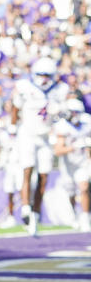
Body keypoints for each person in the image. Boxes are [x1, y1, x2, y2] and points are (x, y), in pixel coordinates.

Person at [11, 57, 69, 237]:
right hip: (27, 133)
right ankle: (26, 208)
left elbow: (62, 114)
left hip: (45, 136)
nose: (44, 78)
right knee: (27, 169)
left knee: (44, 176)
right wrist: (13, 127)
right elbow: (15, 107)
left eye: (47, 75)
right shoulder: (24, 87)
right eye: (41, 74)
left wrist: (59, 113)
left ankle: (35, 215)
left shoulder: (60, 90)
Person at [53, 98, 91, 232]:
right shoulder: (63, 126)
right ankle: (75, 214)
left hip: (83, 163)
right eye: (73, 112)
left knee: (84, 187)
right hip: (68, 164)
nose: (75, 115)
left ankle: (85, 218)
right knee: (71, 192)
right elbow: (57, 150)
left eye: (77, 112)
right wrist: (73, 147)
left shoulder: (87, 122)